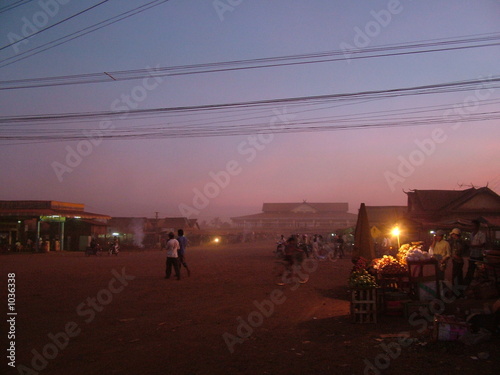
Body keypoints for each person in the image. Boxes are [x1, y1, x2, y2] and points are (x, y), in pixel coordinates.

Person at [465, 220, 487, 285]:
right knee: (470, 271)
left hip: (479, 256)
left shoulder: (481, 234)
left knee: (480, 272)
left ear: (477, 226)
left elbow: (483, 244)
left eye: (473, 225)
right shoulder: (471, 234)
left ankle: (481, 285)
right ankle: (467, 285)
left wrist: (473, 246)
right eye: (471, 225)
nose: (471, 227)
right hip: (472, 255)